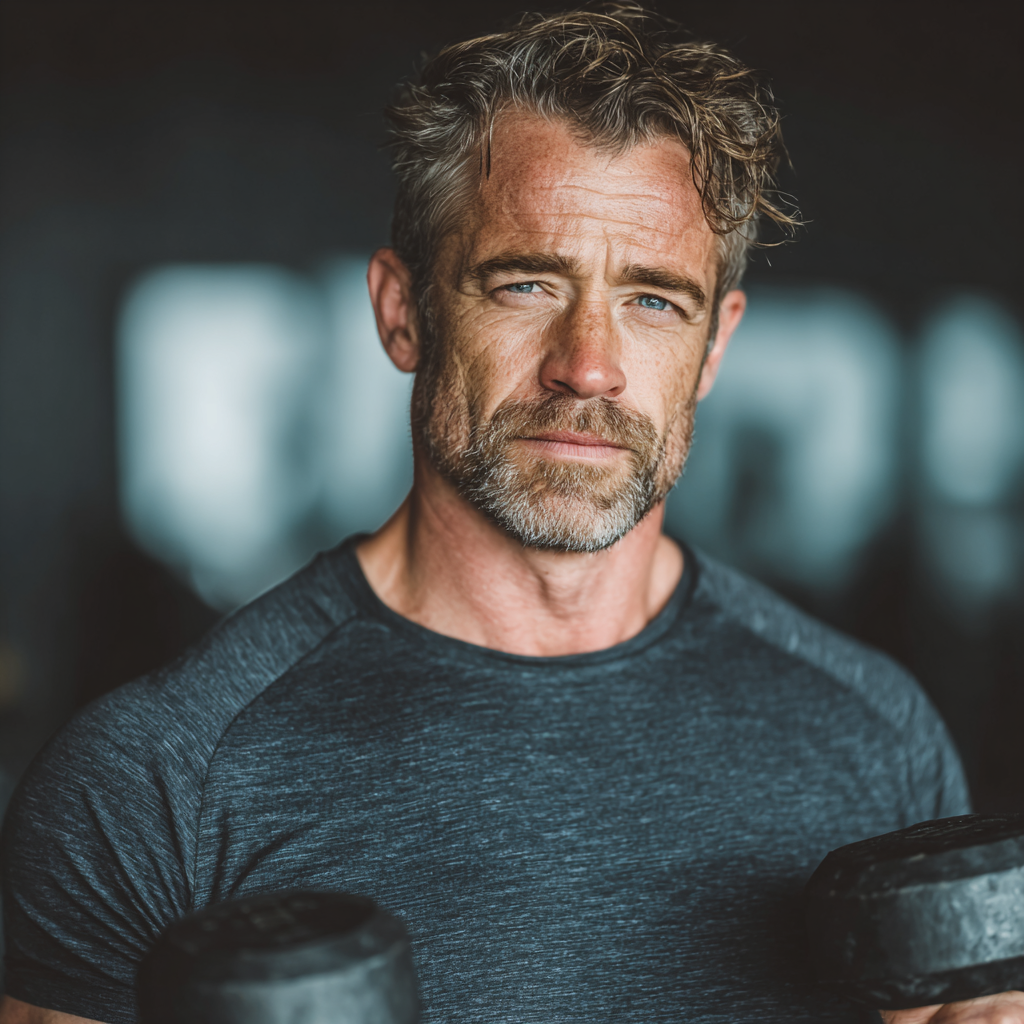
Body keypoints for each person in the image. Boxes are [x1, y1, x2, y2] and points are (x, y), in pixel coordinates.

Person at [2, 7, 1021, 1023]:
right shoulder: (150, 784)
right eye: (526, 284)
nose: (589, 364)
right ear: (403, 312)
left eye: (654, 300)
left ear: (714, 346)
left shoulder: (874, 735)